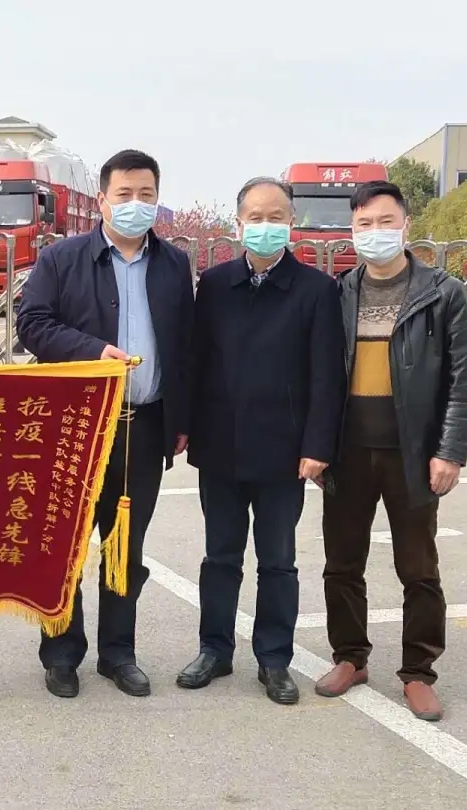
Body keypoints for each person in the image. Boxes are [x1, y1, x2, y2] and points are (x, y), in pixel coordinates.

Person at [16, 149, 194, 699]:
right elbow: (31, 324)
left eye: (146, 195)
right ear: (102, 200)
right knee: (65, 543)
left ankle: (119, 653)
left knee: (125, 547)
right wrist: (92, 352)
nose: (136, 204)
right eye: (125, 194)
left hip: (145, 425)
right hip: (76, 427)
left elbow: (184, 344)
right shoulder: (62, 260)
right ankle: (61, 653)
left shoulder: (173, 264)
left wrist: (181, 417)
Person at [177, 177, 346, 705]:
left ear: (291, 222)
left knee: (277, 562)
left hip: (284, 453)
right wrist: (185, 426)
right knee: (219, 558)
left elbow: (326, 377)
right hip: (220, 448)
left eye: (276, 217)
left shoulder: (316, 290)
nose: (265, 226)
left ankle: (274, 659)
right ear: (238, 224)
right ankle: (214, 650)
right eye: (255, 217)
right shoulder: (215, 284)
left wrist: (317, 446)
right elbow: (195, 362)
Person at [315, 181, 467, 722]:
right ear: (352, 231)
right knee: (342, 563)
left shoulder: (442, 293)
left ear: (406, 225)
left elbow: (461, 382)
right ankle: (350, 657)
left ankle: (418, 672)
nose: (375, 233)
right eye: (364, 224)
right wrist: (317, 445)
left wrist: (449, 451)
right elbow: (320, 374)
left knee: (418, 568)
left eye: (386, 222)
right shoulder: (339, 293)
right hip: (347, 451)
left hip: (413, 452)